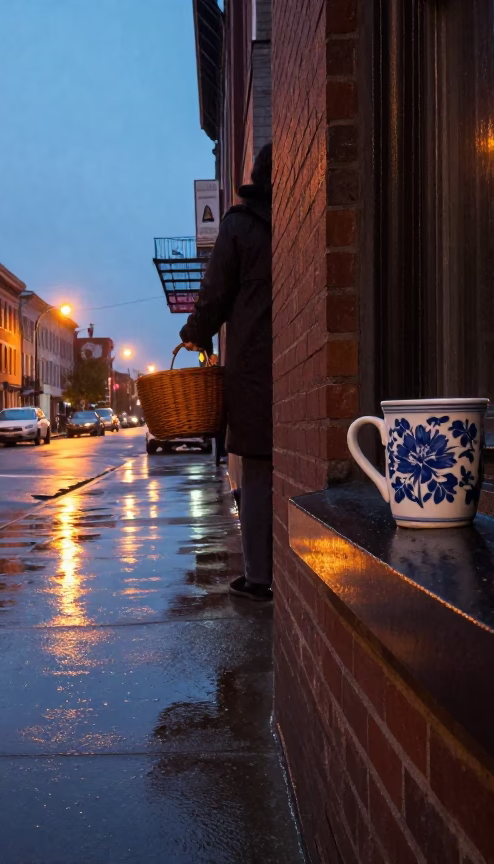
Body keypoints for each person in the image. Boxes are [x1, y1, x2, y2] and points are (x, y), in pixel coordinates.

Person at [180, 142, 273, 601]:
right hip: (293, 359)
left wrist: (194, 333)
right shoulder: (293, 219)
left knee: (256, 470)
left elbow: (214, 291)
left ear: (254, 178)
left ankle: (260, 577)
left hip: (255, 364)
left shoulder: (239, 225)